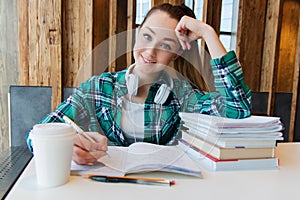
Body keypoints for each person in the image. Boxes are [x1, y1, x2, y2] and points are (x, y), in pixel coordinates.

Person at [26, 3, 251, 165]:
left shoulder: (184, 97)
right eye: (146, 36)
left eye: (165, 45)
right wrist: (68, 147)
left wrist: (208, 34)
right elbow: (35, 137)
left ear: (175, 54)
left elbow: (238, 108)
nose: (150, 52)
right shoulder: (96, 90)